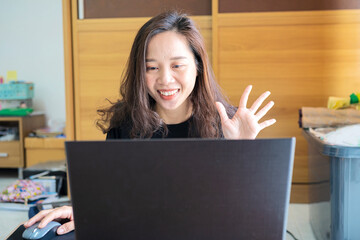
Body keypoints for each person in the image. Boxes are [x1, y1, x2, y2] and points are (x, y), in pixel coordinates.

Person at [24, 11, 276, 235]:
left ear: (198, 66)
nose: (165, 80)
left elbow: (244, 217)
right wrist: (86, 211)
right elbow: (112, 196)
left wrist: (242, 148)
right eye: (151, 67)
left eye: (177, 65)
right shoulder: (125, 123)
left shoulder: (228, 123)